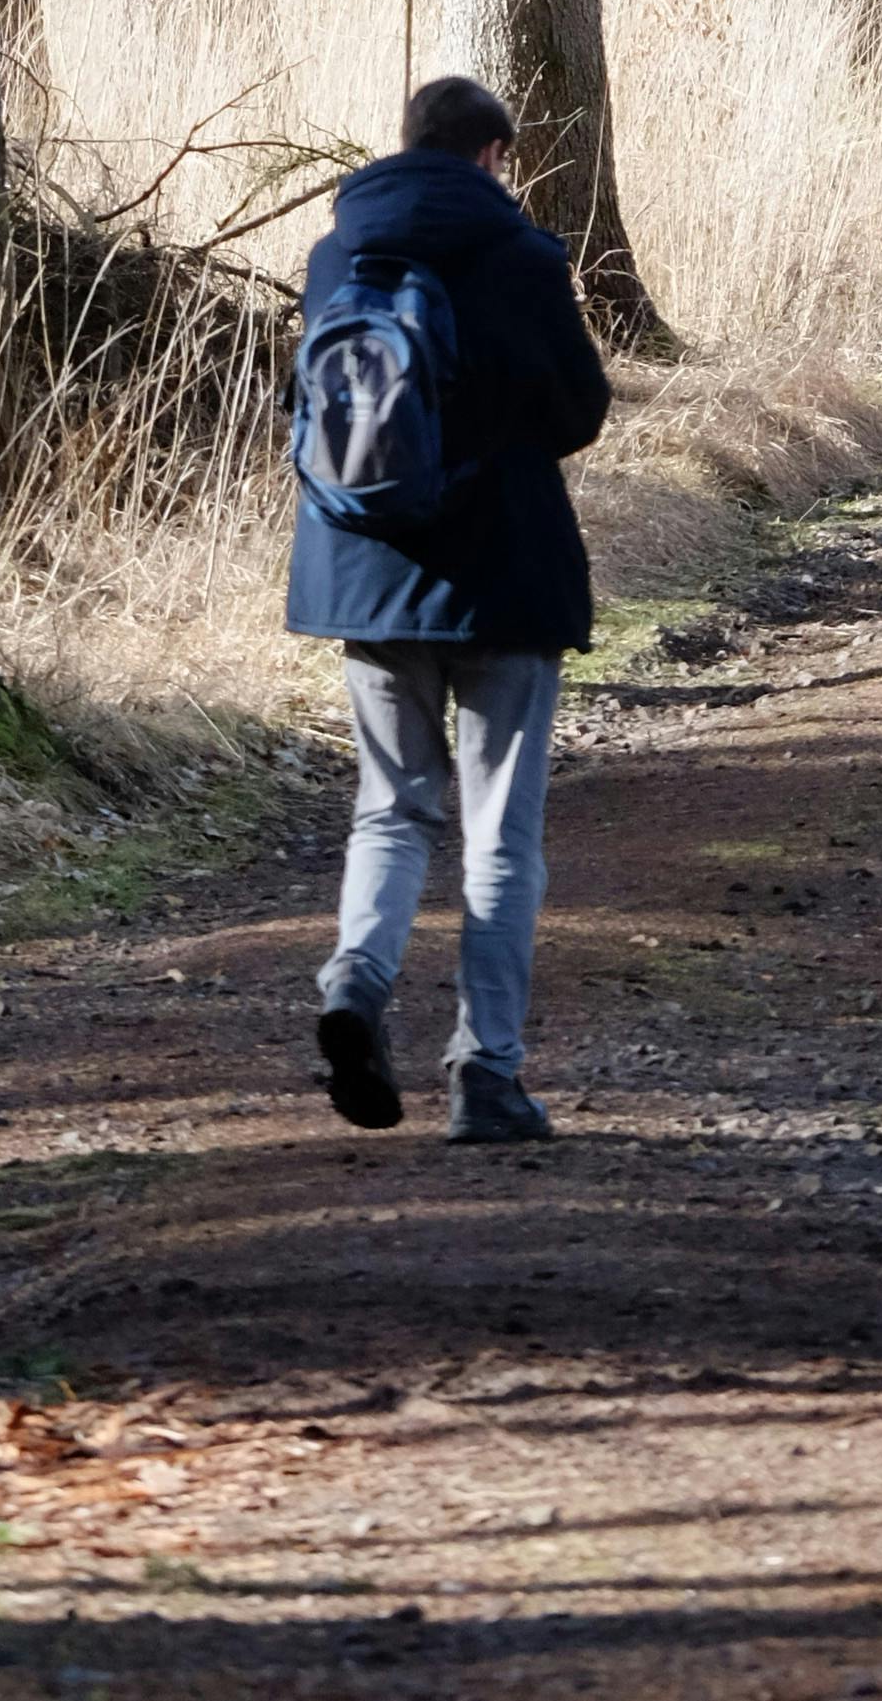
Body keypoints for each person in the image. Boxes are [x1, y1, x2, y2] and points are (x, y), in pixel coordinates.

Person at [288, 75, 612, 1143]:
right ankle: (487, 1073)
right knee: (500, 837)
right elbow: (578, 410)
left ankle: (354, 986)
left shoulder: (337, 254)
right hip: (503, 578)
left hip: (366, 569)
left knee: (389, 807)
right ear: (491, 154)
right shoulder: (519, 256)